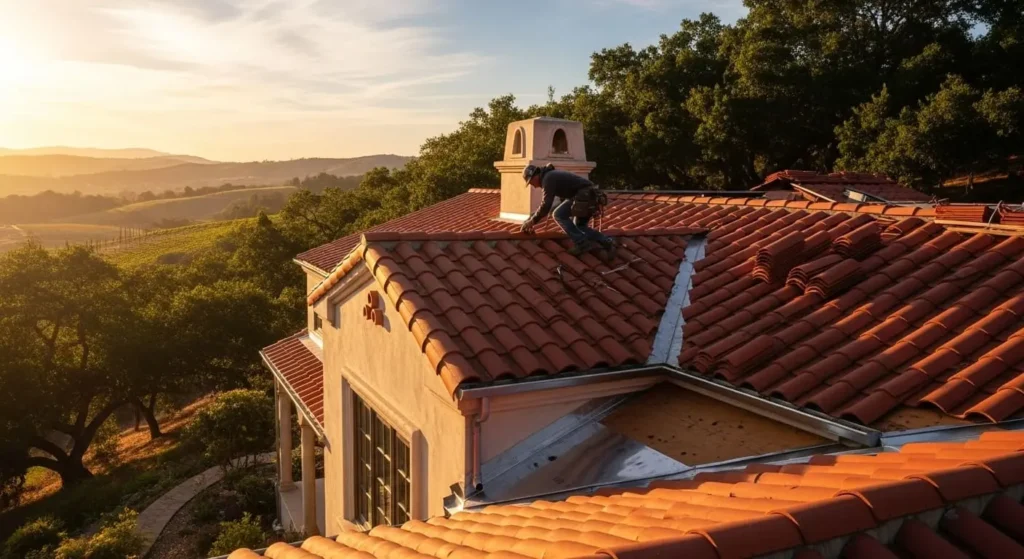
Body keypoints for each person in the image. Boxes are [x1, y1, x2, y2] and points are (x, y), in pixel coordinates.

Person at [519, 164, 616, 258]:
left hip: (584, 196)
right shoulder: (551, 175)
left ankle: (582, 243)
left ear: (535, 176)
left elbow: (546, 204)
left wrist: (532, 221)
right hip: (590, 196)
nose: (534, 186)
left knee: (558, 214)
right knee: (579, 225)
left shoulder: (548, 179)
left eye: (531, 183)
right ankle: (607, 241)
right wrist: (531, 218)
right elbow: (557, 203)